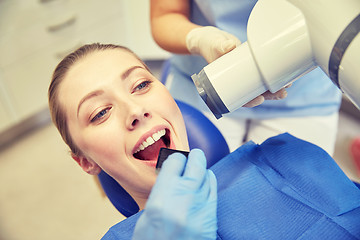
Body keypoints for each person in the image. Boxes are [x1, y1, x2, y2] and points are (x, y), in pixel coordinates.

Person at [48, 43, 360, 239]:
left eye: (141, 84)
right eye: (100, 112)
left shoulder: (283, 157)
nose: (135, 111)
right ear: (85, 161)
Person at [150, 0, 342, 155]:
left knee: (298, 194)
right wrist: (200, 39)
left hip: (306, 93)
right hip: (206, 82)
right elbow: (165, 14)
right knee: (185, 181)